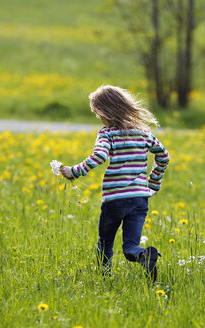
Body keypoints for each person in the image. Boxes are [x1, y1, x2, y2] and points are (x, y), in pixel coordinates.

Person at [60, 85, 170, 281]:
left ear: (105, 111)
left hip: (114, 201)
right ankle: (143, 255)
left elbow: (100, 156)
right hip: (139, 200)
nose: (98, 118)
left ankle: (105, 278)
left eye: (97, 113)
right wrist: (153, 183)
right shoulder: (144, 133)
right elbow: (163, 156)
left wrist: (73, 172)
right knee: (130, 247)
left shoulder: (107, 133)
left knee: (105, 243)